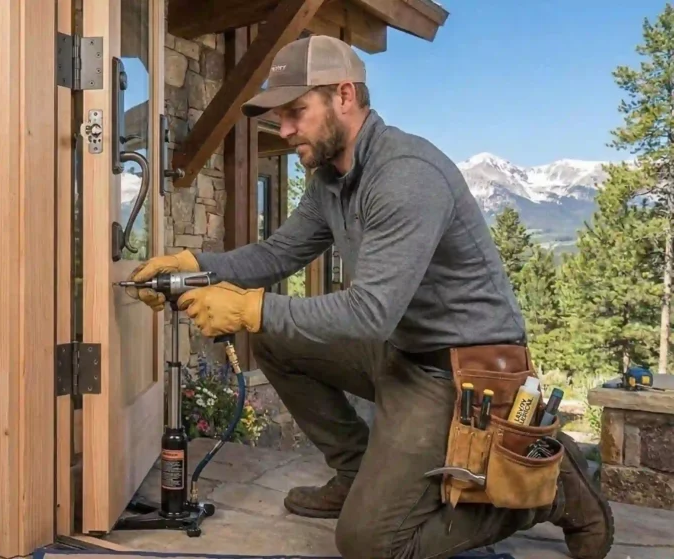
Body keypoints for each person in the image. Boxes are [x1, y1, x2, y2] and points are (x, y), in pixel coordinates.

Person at [129, 35, 613, 559]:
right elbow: (278, 254)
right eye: (280, 115)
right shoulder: (330, 180)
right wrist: (195, 266)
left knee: (372, 544)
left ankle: (547, 493)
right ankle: (356, 473)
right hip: (401, 352)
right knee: (272, 340)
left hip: (461, 374)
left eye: (295, 111)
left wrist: (251, 307)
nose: (284, 129)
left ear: (344, 95)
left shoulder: (406, 174)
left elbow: (370, 313)